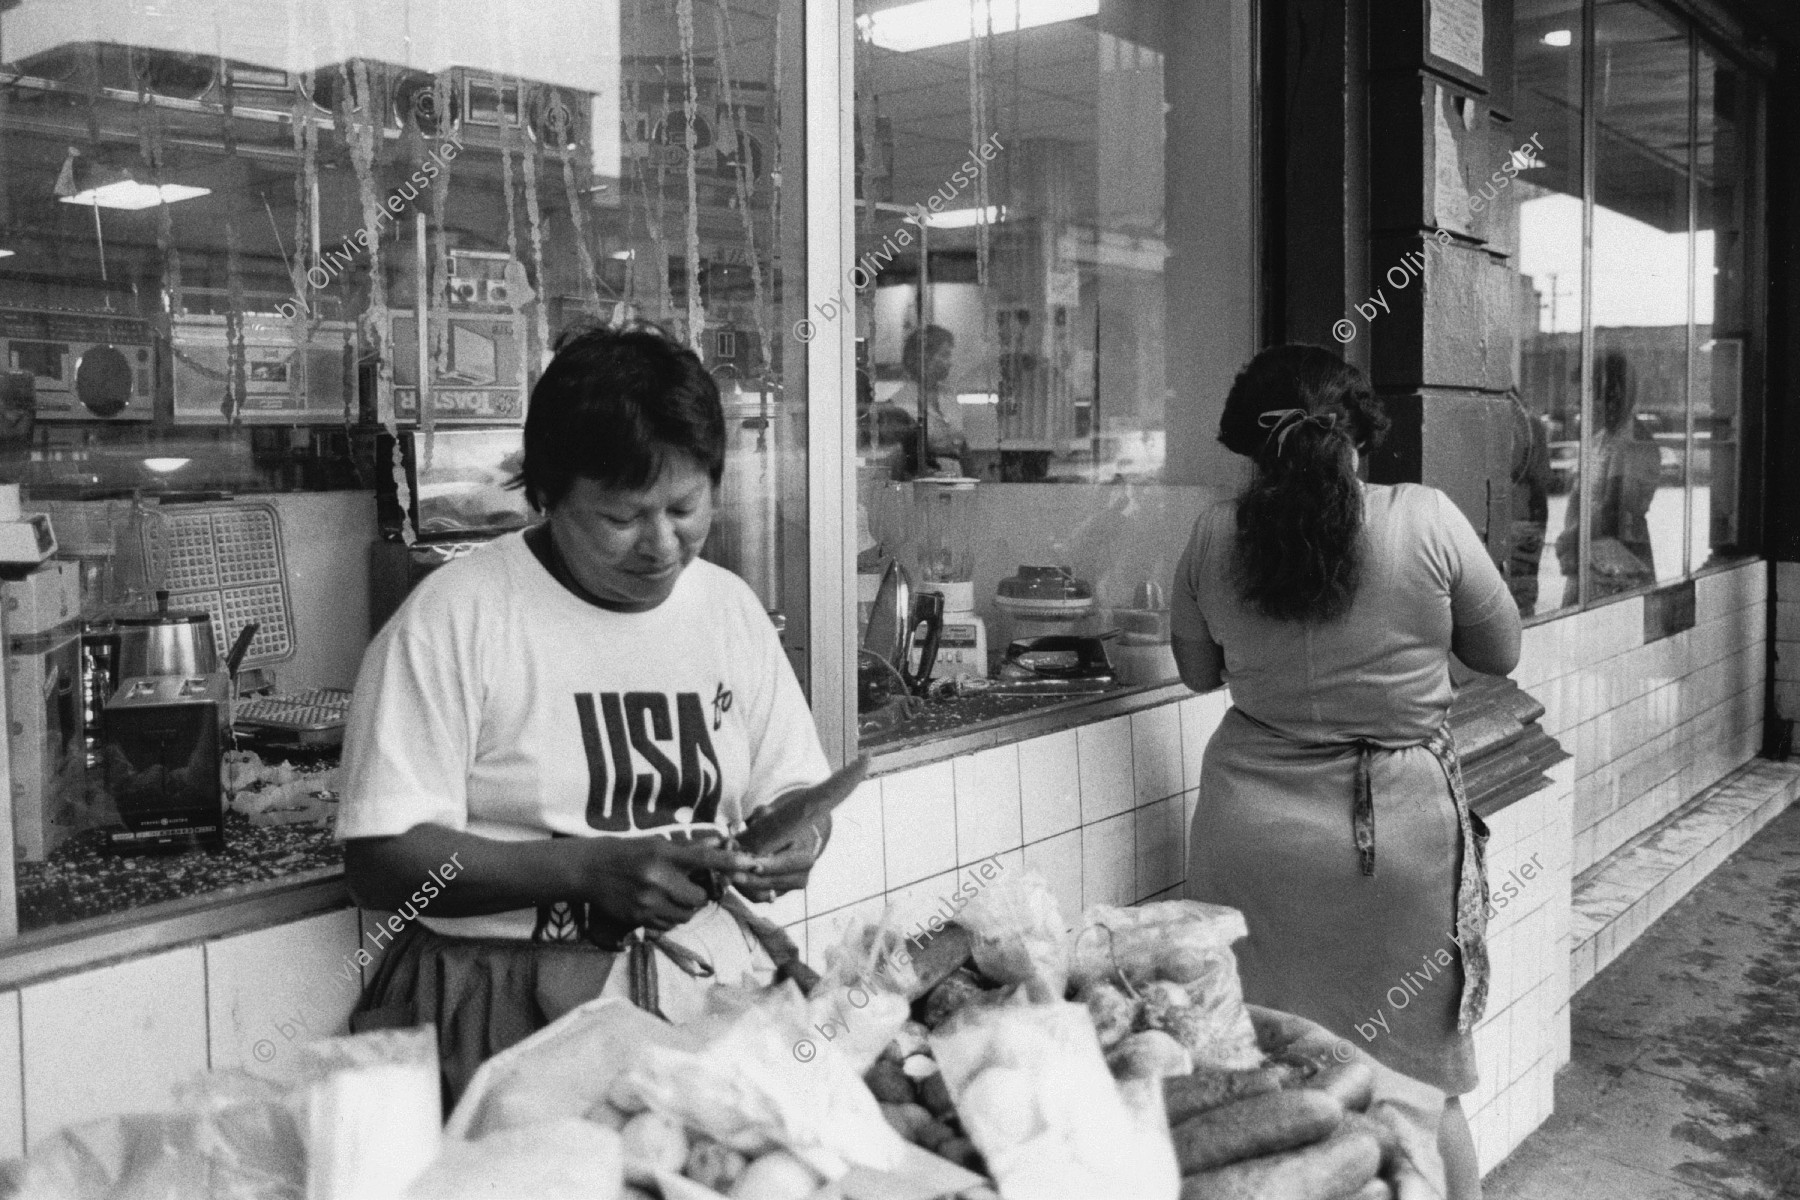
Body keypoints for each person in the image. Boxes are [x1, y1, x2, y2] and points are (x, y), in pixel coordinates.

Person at [338, 321, 866, 1105]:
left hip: (700, 996)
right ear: (548, 496)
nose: (661, 544)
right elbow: (380, 858)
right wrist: (584, 870)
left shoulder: (727, 609)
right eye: (622, 517)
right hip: (508, 1004)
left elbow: (791, 790)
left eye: (685, 507)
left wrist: (799, 838)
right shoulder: (460, 616)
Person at [1171, 345, 1521, 1200]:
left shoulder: (1215, 534)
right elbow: (1500, 651)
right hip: (1397, 845)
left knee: (1265, 1083)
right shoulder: (1428, 519)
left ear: (1247, 445)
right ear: (1360, 432)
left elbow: (1195, 671)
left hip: (1249, 842)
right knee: (1422, 1089)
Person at [1554, 350, 1659, 607]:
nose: (1580, 402)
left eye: (1588, 392)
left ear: (1612, 394)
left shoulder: (1632, 441)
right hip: (1591, 560)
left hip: (1621, 566)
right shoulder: (1600, 439)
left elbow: (1614, 510)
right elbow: (1579, 497)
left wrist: (1571, 537)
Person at [874, 324, 964, 476]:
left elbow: (962, 447)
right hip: (924, 479)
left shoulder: (949, 395)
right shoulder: (899, 403)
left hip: (958, 479)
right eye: (944, 355)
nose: (950, 362)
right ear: (924, 357)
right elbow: (902, 456)